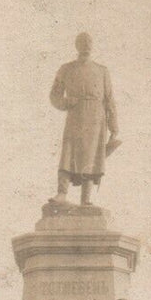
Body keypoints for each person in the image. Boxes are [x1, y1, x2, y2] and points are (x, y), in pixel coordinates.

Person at [50, 32, 119, 206]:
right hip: (76, 114)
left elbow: (110, 99)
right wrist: (66, 102)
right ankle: (62, 192)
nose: (86, 44)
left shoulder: (102, 71)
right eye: (82, 41)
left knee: (92, 156)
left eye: (89, 41)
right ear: (76, 45)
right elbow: (54, 95)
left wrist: (114, 127)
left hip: (97, 118)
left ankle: (85, 199)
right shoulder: (66, 69)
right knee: (68, 153)